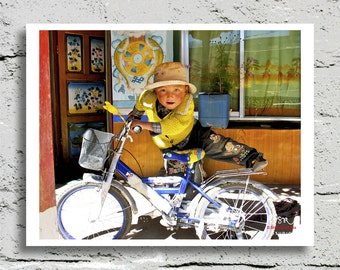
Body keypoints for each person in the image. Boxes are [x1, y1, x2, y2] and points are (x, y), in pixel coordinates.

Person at [106, 62, 268, 186]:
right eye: (163, 90)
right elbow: (138, 109)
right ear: (155, 91)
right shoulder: (146, 98)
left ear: (185, 90)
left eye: (176, 90)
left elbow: (172, 126)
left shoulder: (187, 103)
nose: (170, 96)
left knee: (222, 147)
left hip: (194, 135)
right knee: (179, 177)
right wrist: (132, 118)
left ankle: (253, 158)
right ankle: (188, 201)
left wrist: (143, 125)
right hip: (169, 145)